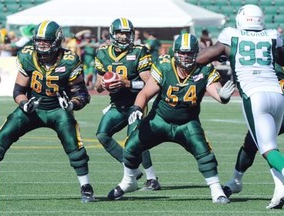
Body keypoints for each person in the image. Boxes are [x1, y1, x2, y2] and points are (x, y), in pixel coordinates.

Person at [107, 33, 235, 204]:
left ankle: (216, 190)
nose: (185, 56)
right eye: (182, 52)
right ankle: (128, 181)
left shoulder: (204, 69)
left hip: (187, 123)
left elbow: (217, 94)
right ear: (175, 52)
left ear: (196, 53)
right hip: (160, 120)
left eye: (189, 53)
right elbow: (145, 92)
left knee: (204, 153)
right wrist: (137, 108)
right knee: (131, 145)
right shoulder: (165, 65)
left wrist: (224, 96)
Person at [196, 4, 284, 209]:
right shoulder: (272, 34)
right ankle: (279, 191)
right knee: (269, 145)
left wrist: (227, 55)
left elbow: (202, 58)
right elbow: (280, 57)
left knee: (267, 148)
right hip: (277, 94)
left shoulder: (231, 35)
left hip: (254, 96)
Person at [0, 20, 95, 203]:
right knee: (0, 139)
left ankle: (86, 186)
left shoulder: (69, 59)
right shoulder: (27, 56)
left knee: (74, 147)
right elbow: (18, 91)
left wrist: (71, 105)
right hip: (32, 109)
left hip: (58, 110)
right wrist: (25, 104)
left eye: (46, 40)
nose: (41, 44)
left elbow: (81, 93)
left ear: (57, 41)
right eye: (39, 40)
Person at [94, 17, 161, 190]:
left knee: (136, 139)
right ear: (112, 34)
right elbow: (97, 85)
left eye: (126, 33)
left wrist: (127, 83)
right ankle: (132, 168)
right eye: (119, 33)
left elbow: (149, 83)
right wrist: (102, 84)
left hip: (135, 103)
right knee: (102, 135)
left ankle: (152, 178)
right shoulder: (102, 53)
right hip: (117, 104)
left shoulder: (140, 51)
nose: (123, 37)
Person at [222, 65, 284, 209]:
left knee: (265, 144)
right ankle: (236, 181)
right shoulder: (270, 59)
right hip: (276, 106)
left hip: (276, 107)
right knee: (254, 142)